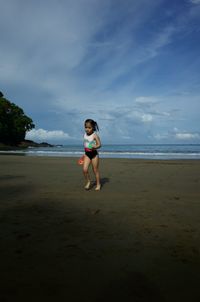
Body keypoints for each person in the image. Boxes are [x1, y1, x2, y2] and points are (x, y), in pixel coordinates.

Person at [83, 119, 101, 191]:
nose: (87, 129)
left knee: (95, 170)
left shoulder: (95, 135)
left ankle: (98, 184)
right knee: (84, 169)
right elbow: (85, 144)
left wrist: (95, 147)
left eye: (89, 127)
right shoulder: (84, 134)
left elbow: (99, 144)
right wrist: (84, 154)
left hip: (94, 154)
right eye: (86, 127)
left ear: (93, 127)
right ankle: (88, 181)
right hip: (87, 154)